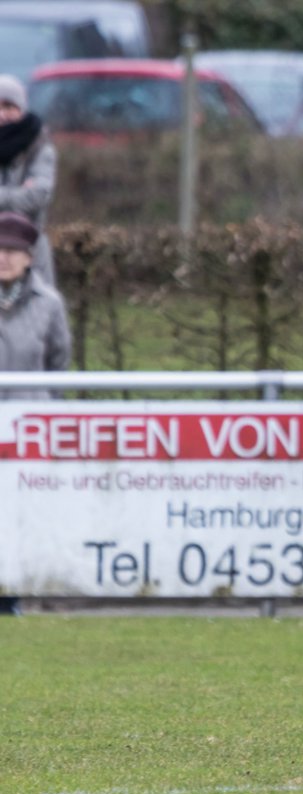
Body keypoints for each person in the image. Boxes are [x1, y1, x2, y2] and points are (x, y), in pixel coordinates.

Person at [0, 210, 70, 616]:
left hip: (28, 434)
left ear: (29, 257)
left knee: (18, 519)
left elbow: (59, 362)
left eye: (13, 250)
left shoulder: (49, 304)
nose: (5, 258)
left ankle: (12, 598)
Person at [0, 75, 57, 289]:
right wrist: (18, 194)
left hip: (29, 248)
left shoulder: (39, 145)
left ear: (21, 108)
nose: (2, 114)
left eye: (9, 105)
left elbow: (39, 196)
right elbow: (26, 197)